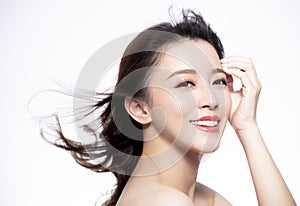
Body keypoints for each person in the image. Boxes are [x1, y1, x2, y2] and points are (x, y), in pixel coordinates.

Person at [40, 9, 296, 206]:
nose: (211, 99)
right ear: (140, 108)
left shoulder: (198, 197)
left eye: (218, 80)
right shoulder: (165, 201)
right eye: (186, 83)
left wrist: (247, 126)